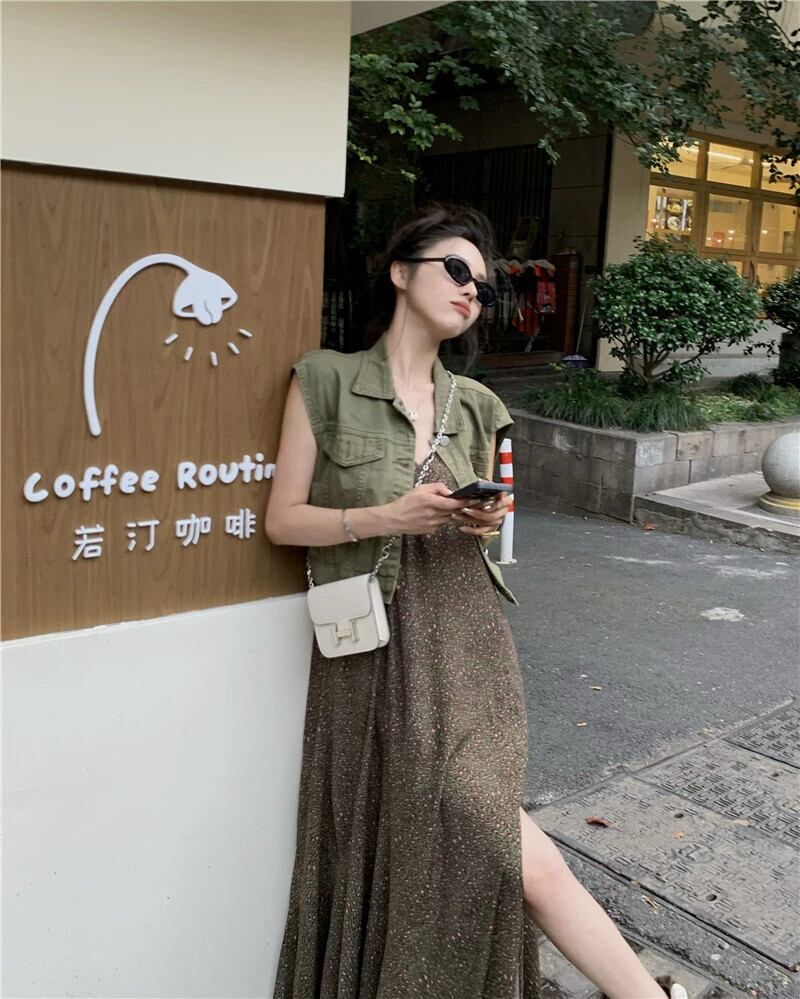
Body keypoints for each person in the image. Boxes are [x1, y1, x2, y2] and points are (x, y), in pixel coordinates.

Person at [265, 204, 688, 999]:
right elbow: (283, 519)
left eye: (483, 286)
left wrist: (481, 521)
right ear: (401, 271)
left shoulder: (478, 404)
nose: (472, 291)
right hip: (371, 643)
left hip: (466, 639)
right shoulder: (323, 380)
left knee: (499, 836)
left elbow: (482, 531)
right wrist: (390, 515)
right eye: (457, 270)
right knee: (408, 836)